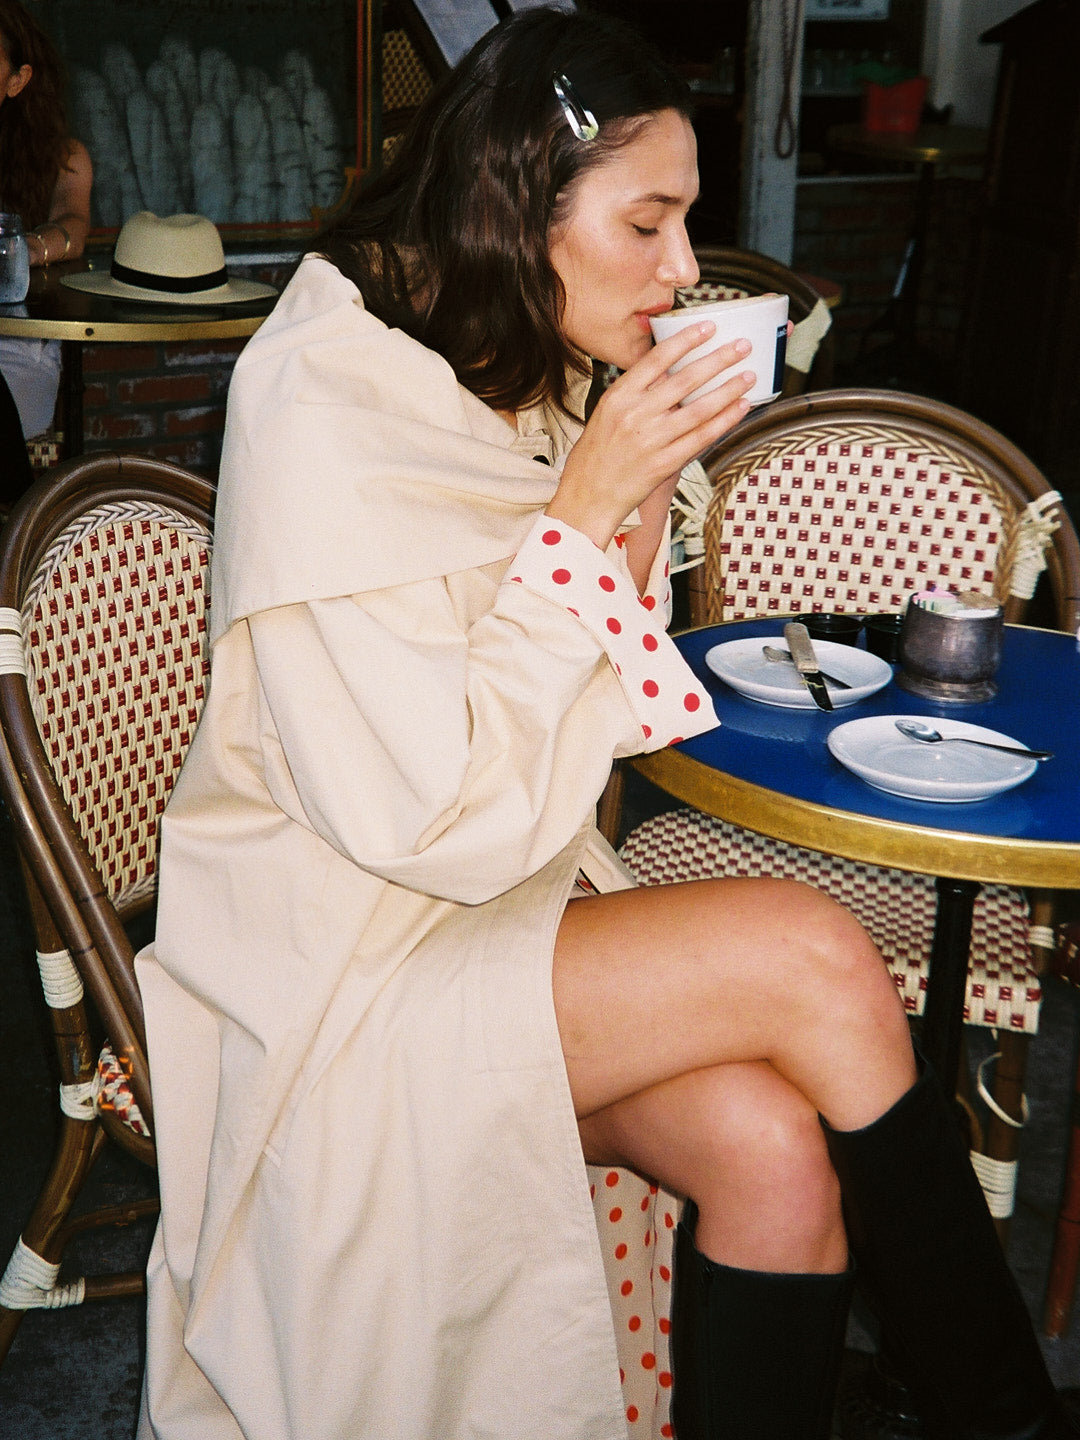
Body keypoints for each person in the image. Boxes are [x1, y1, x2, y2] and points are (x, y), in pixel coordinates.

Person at [133, 9, 1078, 1440]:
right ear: (518, 204)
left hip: (495, 908)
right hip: (342, 971)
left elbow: (597, 693)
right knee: (818, 956)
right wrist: (586, 506)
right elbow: (432, 816)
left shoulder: (495, 354)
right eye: (648, 223)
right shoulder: (324, 396)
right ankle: (1005, 1416)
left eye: (685, 223)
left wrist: (627, 490)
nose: (685, 267)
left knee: (770, 1152)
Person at [0, 0, 91, 462]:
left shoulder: (62, 155)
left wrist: (25, 249)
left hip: (17, 344)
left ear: (17, 80)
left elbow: (74, 222)